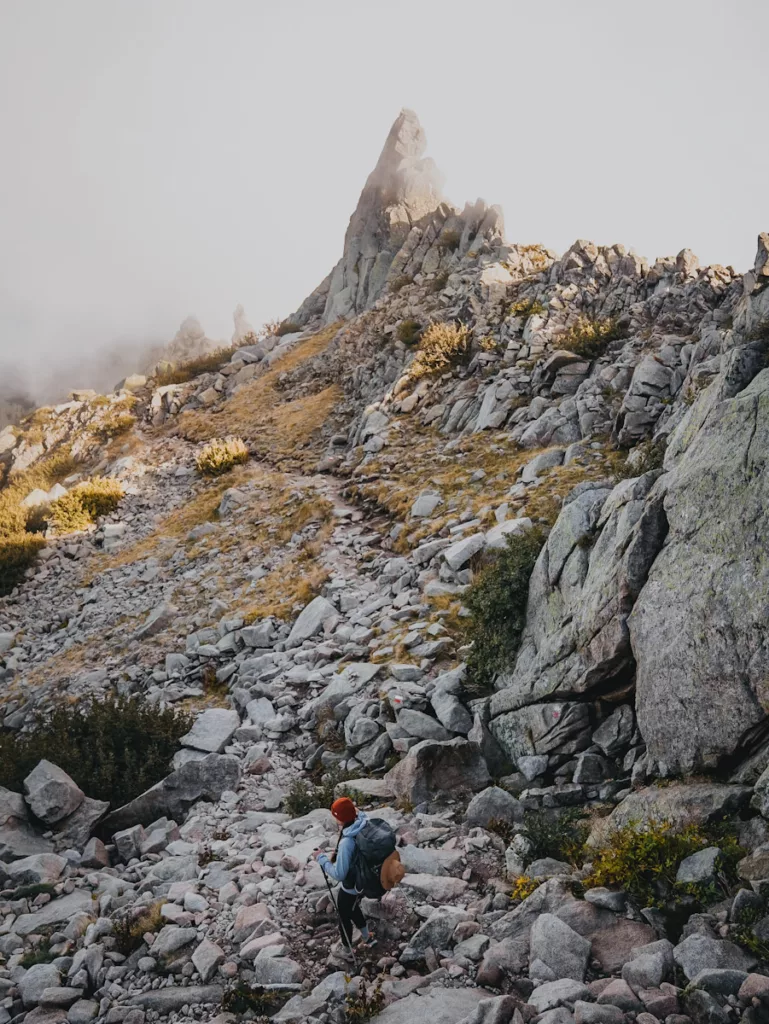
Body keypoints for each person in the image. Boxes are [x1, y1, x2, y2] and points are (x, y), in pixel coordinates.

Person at [314, 797, 376, 957]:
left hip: (351, 884)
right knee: (354, 909)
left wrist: (322, 859)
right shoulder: (363, 821)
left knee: (343, 915)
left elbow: (339, 874)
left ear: (340, 818)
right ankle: (366, 937)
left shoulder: (347, 842)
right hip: (365, 879)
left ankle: (346, 949)